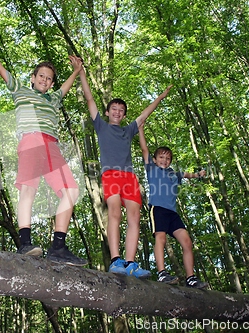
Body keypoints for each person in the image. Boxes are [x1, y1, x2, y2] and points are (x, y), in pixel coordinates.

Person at [0, 26, 87, 266]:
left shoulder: (54, 99)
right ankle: (25, 242)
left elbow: (66, 87)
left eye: (49, 78)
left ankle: (58, 246)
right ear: (33, 78)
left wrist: (77, 70)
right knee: (28, 189)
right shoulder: (20, 91)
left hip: (52, 146)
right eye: (41, 76)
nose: (45, 80)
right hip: (31, 140)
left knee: (72, 191)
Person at [79, 66, 172, 278]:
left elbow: (145, 114)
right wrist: (82, 72)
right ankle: (115, 260)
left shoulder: (129, 130)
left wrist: (161, 97)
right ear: (107, 112)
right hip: (110, 175)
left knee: (134, 218)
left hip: (130, 177)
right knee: (114, 213)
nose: (117, 112)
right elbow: (90, 99)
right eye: (114, 109)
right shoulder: (101, 127)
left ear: (123, 115)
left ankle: (131, 263)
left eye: (121, 110)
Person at [138, 123, 208, 288]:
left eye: (168, 158)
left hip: (173, 213)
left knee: (187, 242)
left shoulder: (173, 174)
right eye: (161, 157)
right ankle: (162, 273)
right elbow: (144, 150)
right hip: (158, 209)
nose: (165, 160)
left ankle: (190, 278)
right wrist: (140, 130)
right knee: (160, 239)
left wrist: (197, 175)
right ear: (155, 160)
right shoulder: (152, 169)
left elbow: (185, 174)